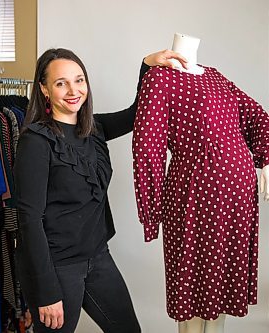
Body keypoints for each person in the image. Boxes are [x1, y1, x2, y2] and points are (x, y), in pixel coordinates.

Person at [13, 48, 188, 333]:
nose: (73, 90)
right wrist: (46, 291)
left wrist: (146, 65)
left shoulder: (94, 129)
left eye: (79, 80)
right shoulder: (35, 142)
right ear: (44, 89)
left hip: (98, 257)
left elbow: (137, 113)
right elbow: (29, 221)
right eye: (61, 83)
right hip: (56, 267)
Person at [132, 33, 269, 333]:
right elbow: (146, 149)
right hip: (195, 195)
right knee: (192, 285)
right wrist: (152, 213)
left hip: (238, 201)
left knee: (221, 284)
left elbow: (257, 117)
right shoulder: (159, 80)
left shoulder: (215, 77)